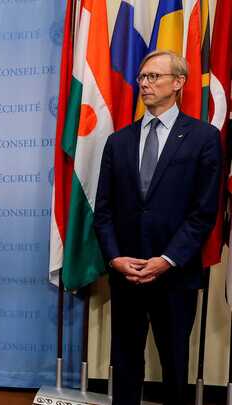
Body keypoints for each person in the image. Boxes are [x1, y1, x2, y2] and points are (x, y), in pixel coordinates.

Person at [93, 51, 222, 404]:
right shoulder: (118, 141)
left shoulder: (203, 137)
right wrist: (115, 258)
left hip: (175, 275)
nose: (145, 84)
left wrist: (167, 260)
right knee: (125, 364)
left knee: (175, 366)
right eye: (142, 77)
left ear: (178, 83)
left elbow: (203, 213)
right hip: (127, 274)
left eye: (154, 77)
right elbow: (103, 211)